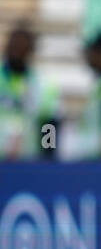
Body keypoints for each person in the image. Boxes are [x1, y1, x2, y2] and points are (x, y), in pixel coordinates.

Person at [0, 25, 61, 160]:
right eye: (14, 47)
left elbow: (49, 125)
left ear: (30, 50)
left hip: (27, 164)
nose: (17, 52)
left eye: (22, 48)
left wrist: (48, 157)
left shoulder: (44, 86)